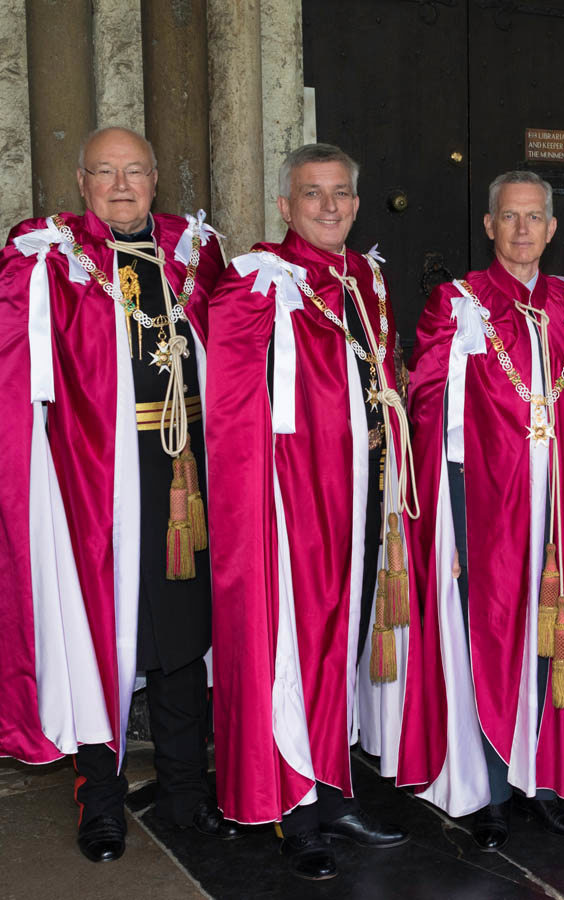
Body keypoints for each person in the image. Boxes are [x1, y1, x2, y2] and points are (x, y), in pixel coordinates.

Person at [0, 126, 234, 862]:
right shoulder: (55, 257)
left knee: (182, 635)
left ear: (158, 177)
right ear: (82, 181)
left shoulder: (195, 251)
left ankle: (187, 792)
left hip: (185, 475)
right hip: (95, 475)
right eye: (106, 173)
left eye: (135, 171)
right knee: (100, 634)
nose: (123, 185)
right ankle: (99, 798)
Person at [405, 170, 564, 852]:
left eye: (535, 217)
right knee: (495, 635)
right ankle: (495, 793)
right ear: (489, 226)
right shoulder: (458, 302)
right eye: (510, 217)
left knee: (553, 637)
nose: (523, 229)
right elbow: (425, 400)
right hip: (488, 503)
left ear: (552, 228)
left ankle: (544, 784)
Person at [203, 143, 414, 880]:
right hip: (293, 506)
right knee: (297, 648)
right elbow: (228, 410)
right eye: (312, 194)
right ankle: (294, 808)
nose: (329, 207)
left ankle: (332, 787)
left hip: (361, 497)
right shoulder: (256, 282)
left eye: (340, 194)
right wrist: (252, 512)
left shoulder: (366, 278)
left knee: (344, 644)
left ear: (356, 204)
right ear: (286, 206)